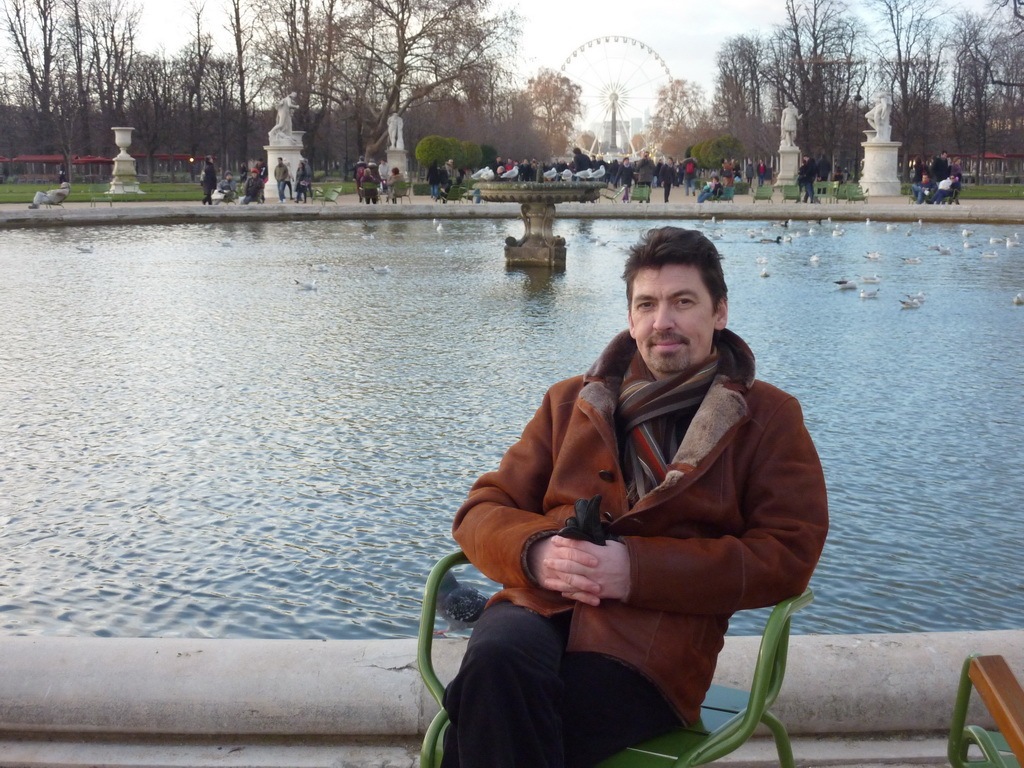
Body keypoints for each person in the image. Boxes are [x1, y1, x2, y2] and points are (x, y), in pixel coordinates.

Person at [439, 226, 829, 768]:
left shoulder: (769, 417)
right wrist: (537, 552)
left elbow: (790, 554)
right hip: (539, 603)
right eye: (647, 304)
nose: (662, 321)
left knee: (497, 713)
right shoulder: (568, 402)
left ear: (719, 312)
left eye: (682, 302)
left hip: (657, 643)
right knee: (494, 666)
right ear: (630, 317)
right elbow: (481, 510)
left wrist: (635, 570)